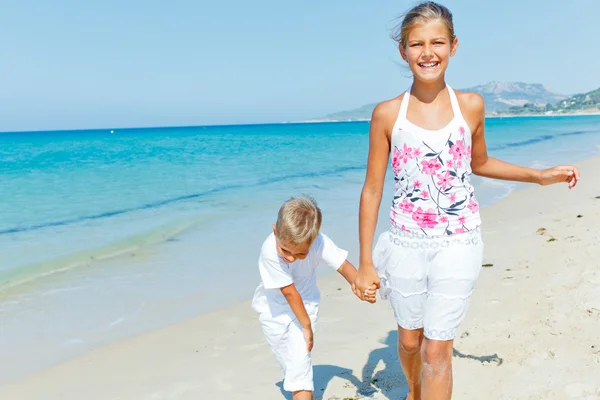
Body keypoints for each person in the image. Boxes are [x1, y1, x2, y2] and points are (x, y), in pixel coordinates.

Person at [351, 2, 580, 399]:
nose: (427, 52)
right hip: (405, 243)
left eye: (437, 42)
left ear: (453, 46)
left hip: (459, 242)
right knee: (409, 345)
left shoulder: (470, 105)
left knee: (437, 350)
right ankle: (414, 390)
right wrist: (366, 262)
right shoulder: (387, 115)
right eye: (416, 44)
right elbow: (372, 189)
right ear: (403, 50)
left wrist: (539, 176)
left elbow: (480, 162)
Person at [252, 196, 376, 400]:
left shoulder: (319, 242)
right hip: (273, 311)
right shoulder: (269, 251)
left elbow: (343, 265)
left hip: (305, 305)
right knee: (290, 364)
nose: (290, 258)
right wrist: (307, 326)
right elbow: (289, 292)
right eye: (285, 250)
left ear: (314, 239)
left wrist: (359, 285)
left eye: (300, 254)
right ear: (275, 231)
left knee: (299, 367)